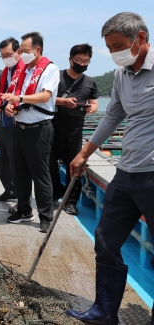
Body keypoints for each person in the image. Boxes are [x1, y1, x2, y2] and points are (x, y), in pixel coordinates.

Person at [67, 12, 154, 324]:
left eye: (119, 45)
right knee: (105, 239)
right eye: (110, 46)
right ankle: (104, 311)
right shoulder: (121, 75)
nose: (115, 51)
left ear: (141, 38)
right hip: (126, 172)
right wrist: (85, 153)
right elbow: (112, 115)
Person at [1, 32, 60, 233]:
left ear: (38, 50)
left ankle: (45, 215)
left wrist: (19, 98)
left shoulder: (50, 70)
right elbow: (15, 98)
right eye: (21, 51)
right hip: (20, 127)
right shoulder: (22, 71)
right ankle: (24, 210)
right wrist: (10, 106)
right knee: (20, 173)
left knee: (40, 174)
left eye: (25, 51)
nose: (22, 54)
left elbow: (44, 96)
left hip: (39, 129)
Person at [50, 44, 98, 215]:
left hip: (75, 131)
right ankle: (55, 193)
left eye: (86, 61)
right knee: (49, 165)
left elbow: (94, 103)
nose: (82, 63)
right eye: (78, 60)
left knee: (74, 168)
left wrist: (91, 108)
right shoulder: (57, 76)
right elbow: (46, 98)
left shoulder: (90, 82)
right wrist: (64, 101)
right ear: (70, 60)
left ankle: (71, 202)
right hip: (52, 128)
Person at [0, 38, 23, 204]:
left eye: (9, 54)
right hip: (4, 122)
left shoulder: (25, 71)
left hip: (17, 123)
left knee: (15, 162)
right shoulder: (4, 72)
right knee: (3, 160)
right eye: (2, 55)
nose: (6, 58)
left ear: (18, 52)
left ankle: (20, 194)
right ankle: (9, 189)